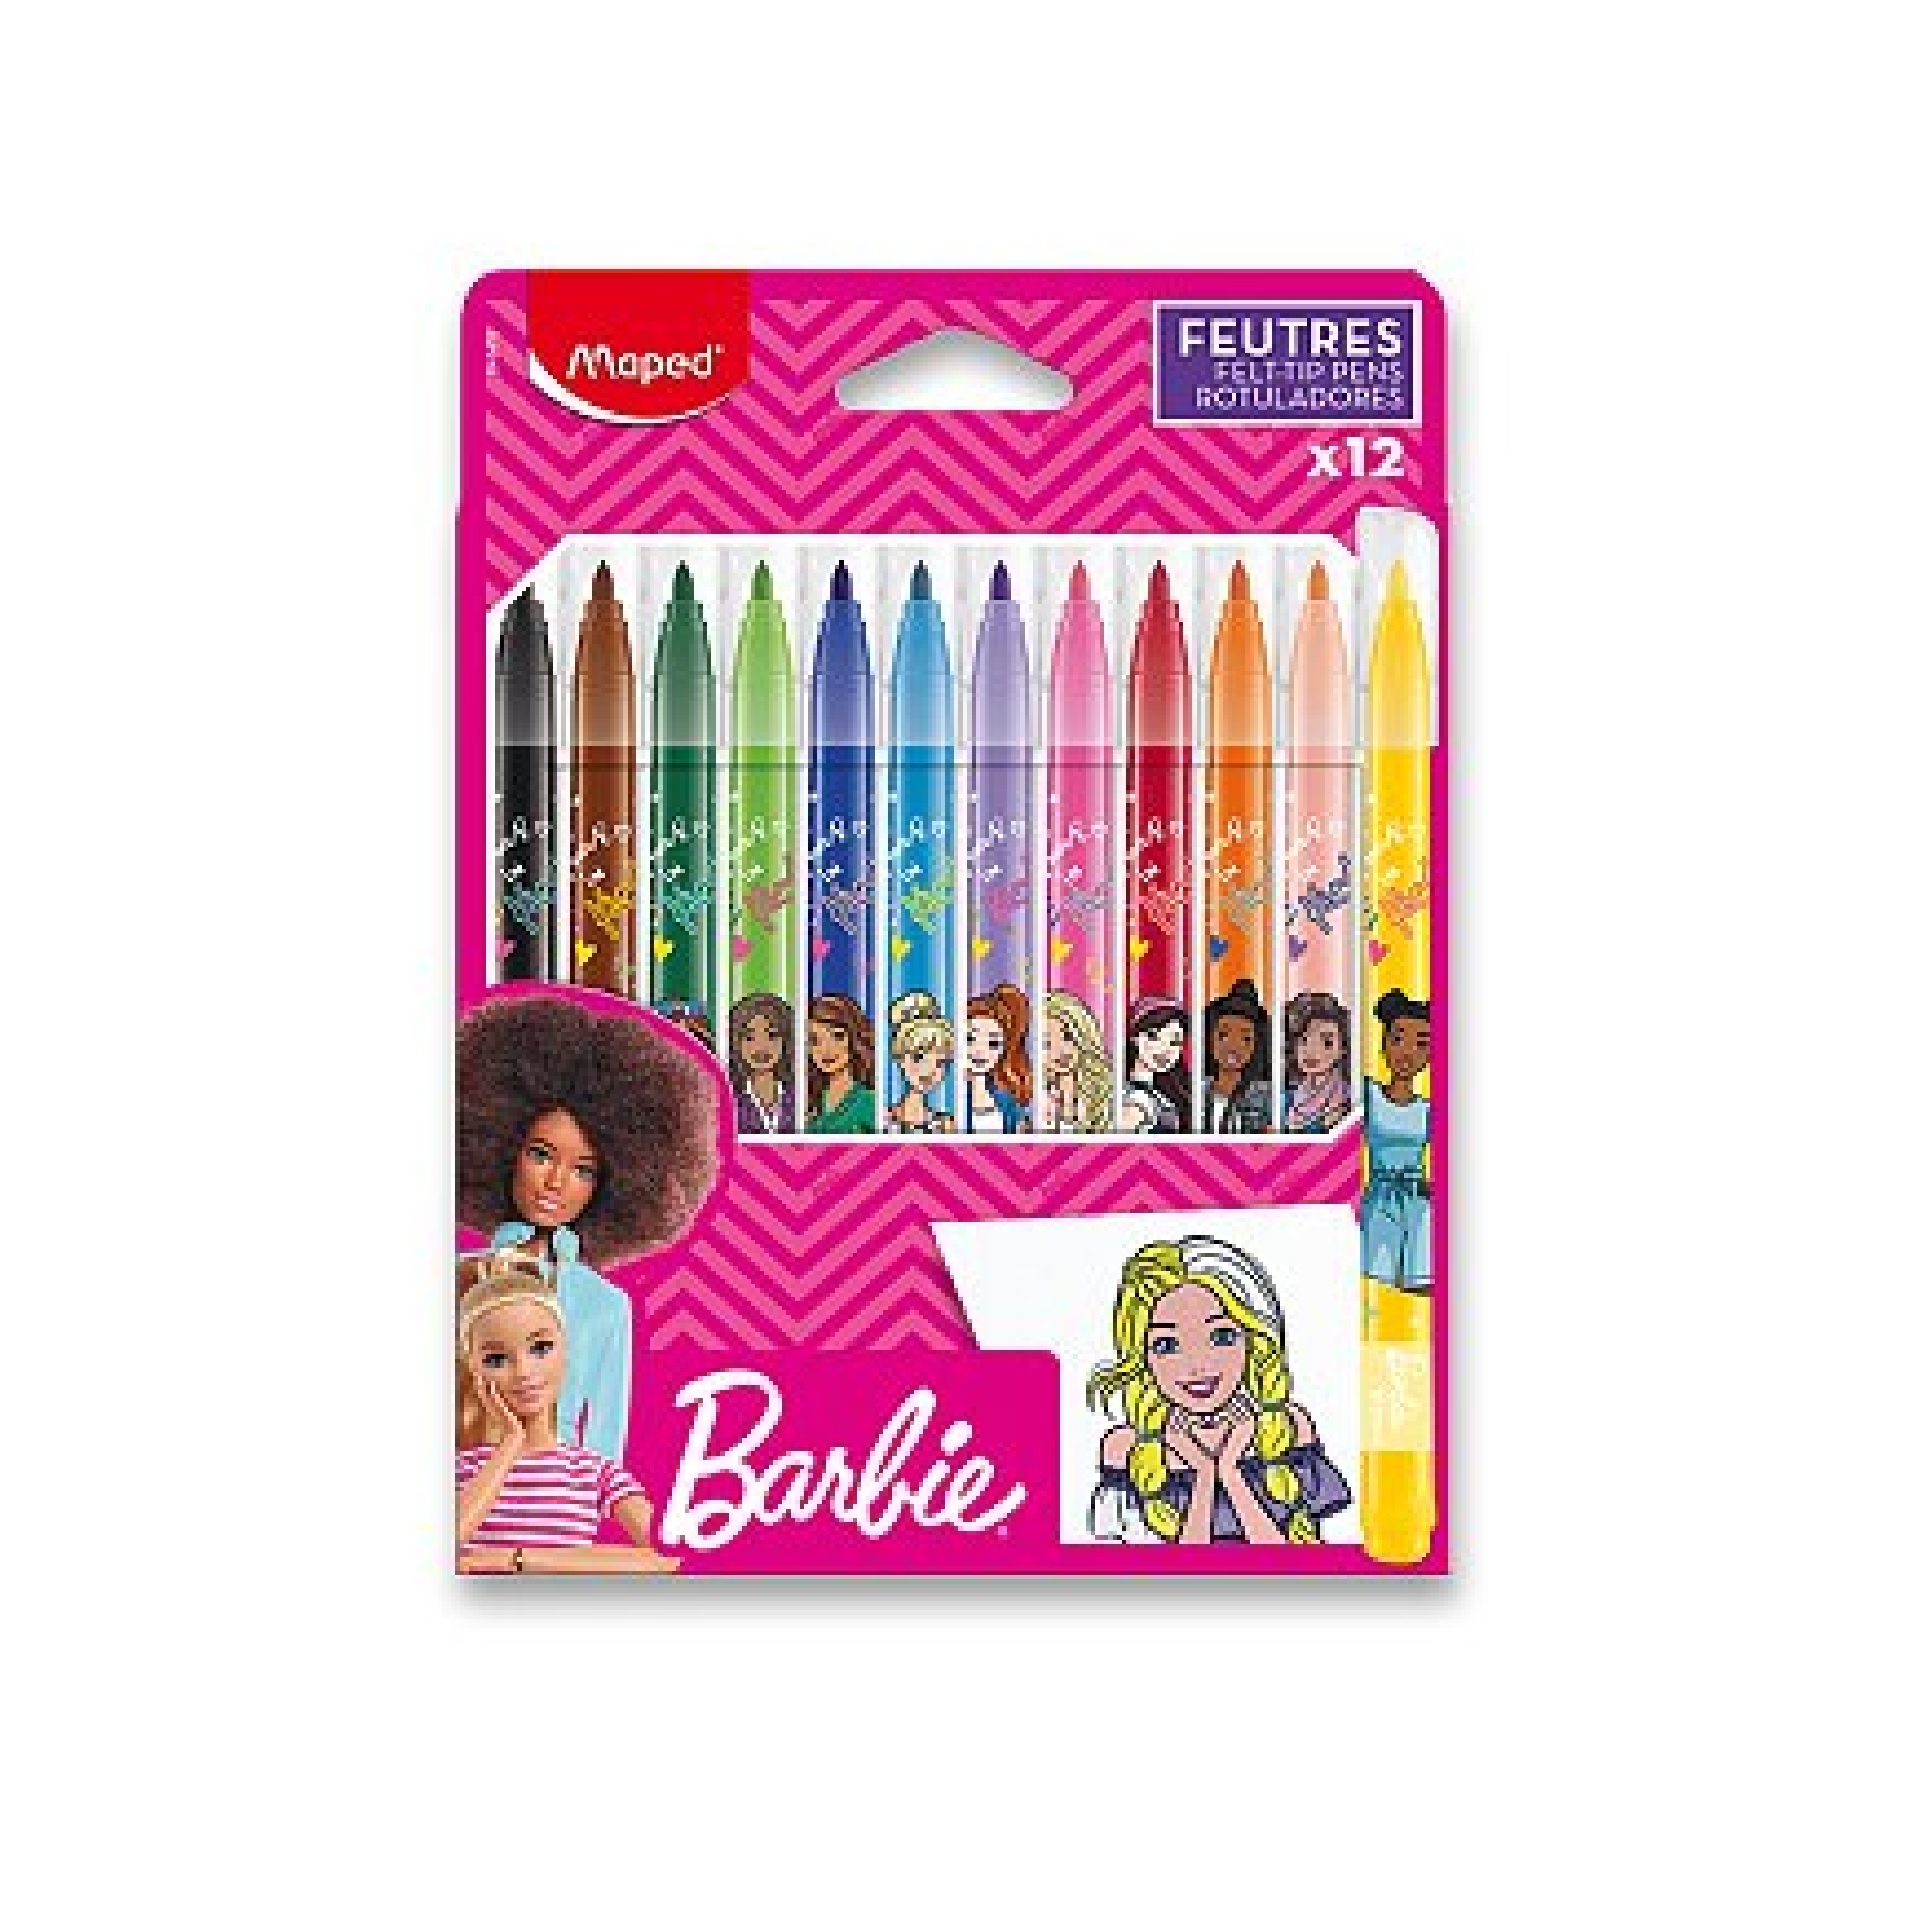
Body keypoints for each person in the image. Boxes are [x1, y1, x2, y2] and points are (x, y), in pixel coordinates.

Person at [457, 991, 719, 1460]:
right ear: (503, 1149)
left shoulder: (604, 1307)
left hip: (551, 1489)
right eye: (541, 1155)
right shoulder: (457, 1279)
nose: (556, 1182)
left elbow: (606, 1446)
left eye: (583, 1170)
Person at [1087, 1236, 1350, 1546]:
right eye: (1167, 1345)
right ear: (1142, 1357)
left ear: (1253, 1340)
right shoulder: (1126, 1448)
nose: (1197, 1366)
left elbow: (1295, 1565)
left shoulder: (1287, 1427)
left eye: (1221, 1337)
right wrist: (1204, 1474)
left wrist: (1231, 1472)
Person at [456, 1258, 679, 1574]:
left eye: (540, 1348)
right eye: (496, 1359)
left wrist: (515, 1559)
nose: (524, 1372)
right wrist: (509, 1445)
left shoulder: (595, 1472)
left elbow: (667, 1558)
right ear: (474, 1368)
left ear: (566, 1351)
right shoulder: (462, 1470)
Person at [1361, 989, 1432, 1291]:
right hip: (1380, 1199)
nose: (1407, 1052)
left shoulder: (1428, 1110)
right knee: (1376, 1279)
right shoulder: (1370, 1096)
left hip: (1420, 1203)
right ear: (1384, 1044)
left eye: (1421, 1044)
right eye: (1398, 1039)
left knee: (1420, 1283)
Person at [1200, 979, 1272, 1134]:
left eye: (1245, 1039)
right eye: (1223, 1035)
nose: (1233, 1047)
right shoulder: (1195, 1091)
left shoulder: (1267, 1097)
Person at [1037, 990, 1113, 1134]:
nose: (1062, 1051)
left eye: (1068, 1037)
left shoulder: (1108, 1091)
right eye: (1046, 1043)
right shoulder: (1033, 1101)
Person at [960, 984, 1032, 1133]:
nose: (979, 1050)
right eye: (970, 1038)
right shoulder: (951, 1099)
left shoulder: (1007, 1102)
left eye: (992, 1043)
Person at [804, 994, 878, 1135]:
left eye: (837, 1036)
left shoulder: (870, 1103)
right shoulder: (807, 1102)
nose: (826, 1050)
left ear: (854, 1039)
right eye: (814, 1040)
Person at [885, 991, 956, 1134]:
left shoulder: (947, 1126)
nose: (929, 1071)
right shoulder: (881, 1120)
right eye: (918, 1057)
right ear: (900, 1058)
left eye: (941, 1062)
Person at [1119, 995, 1191, 1134]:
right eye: (1153, 1037)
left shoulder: (1162, 1092)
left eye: (1174, 1042)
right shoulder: (1134, 1098)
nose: (1164, 1049)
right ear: (1134, 1038)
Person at [727, 992, 795, 1134]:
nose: (760, 1047)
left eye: (772, 1035)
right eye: (749, 1037)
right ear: (736, 1042)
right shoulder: (728, 1099)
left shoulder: (800, 1097)